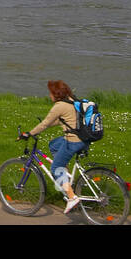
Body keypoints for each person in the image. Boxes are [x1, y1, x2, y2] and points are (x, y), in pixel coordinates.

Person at [22, 79, 88, 214]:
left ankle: (72, 197)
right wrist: (47, 124)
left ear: (56, 94)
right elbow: (62, 120)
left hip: (73, 141)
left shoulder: (59, 106)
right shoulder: (72, 101)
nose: (49, 95)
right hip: (83, 139)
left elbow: (45, 124)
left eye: (50, 93)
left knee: (55, 167)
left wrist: (29, 134)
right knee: (53, 145)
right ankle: (65, 179)